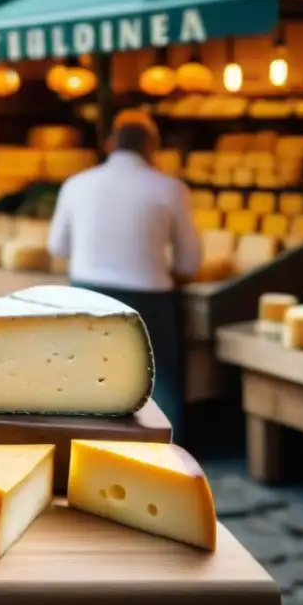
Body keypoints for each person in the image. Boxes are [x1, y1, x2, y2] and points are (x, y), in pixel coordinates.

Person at [47, 111, 201, 442]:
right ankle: (165, 454)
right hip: (149, 298)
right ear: (151, 148)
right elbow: (190, 262)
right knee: (160, 382)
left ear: (110, 144)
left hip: (86, 293)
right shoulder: (170, 188)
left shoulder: (77, 184)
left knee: (88, 376)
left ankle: (86, 448)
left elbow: (57, 246)